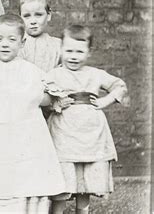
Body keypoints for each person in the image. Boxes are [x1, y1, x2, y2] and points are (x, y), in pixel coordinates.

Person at [0, 14, 65, 213]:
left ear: (22, 43)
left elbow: (49, 98)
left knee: (25, 178)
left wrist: (32, 97)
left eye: (11, 40)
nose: (5, 44)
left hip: (25, 136)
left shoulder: (30, 71)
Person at [47, 25, 128, 214]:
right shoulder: (54, 74)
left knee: (84, 183)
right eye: (68, 51)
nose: (73, 56)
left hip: (90, 136)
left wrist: (105, 100)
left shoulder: (95, 74)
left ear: (89, 52)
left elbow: (119, 85)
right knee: (62, 184)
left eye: (79, 51)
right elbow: (41, 96)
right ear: (61, 50)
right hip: (63, 134)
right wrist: (55, 103)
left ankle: (82, 210)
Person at [19, 0, 61, 72]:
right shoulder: (18, 44)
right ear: (20, 17)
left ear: (48, 15)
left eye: (38, 15)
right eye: (27, 16)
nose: (33, 21)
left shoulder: (57, 45)